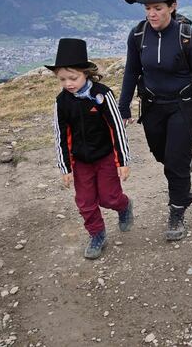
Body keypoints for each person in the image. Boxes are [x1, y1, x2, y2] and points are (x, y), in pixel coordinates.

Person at [118, 0, 192, 242]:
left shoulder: (187, 38)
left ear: (172, 6)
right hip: (152, 107)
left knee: (174, 163)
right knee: (161, 154)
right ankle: (182, 165)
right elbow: (131, 72)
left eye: (158, 8)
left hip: (183, 107)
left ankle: (177, 210)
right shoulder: (138, 35)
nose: (152, 13)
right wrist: (124, 105)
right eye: (147, 8)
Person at [48, 38, 132, 260]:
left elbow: (117, 128)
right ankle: (97, 234)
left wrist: (122, 161)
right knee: (85, 202)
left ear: (86, 73)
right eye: (62, 79)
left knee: (109, 198)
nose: (68, 83)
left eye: (73, 77)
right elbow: (61, 135)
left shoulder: (102, 95)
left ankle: (123, 206)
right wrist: (65, 167)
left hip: (104, 157)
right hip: (81, 161)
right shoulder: (61, 102)